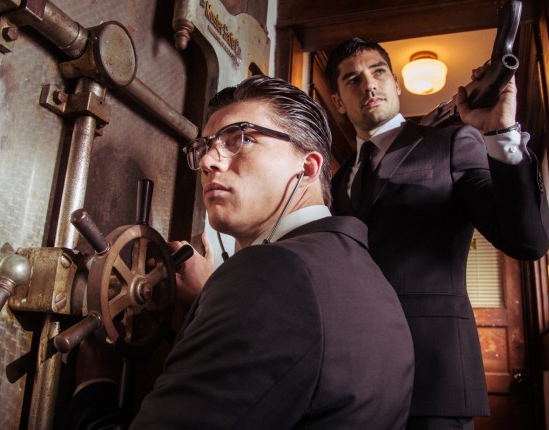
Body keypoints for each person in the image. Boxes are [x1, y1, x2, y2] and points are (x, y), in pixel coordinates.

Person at [67, 75, 414, 429]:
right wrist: (212, 298)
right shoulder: (371, 282)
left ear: (308, 166)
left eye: (242, 139)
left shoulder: (271, 274)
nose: (208, 161)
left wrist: (94, 388)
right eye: (205, 147)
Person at [324, 37, 549, 429]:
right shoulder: (335, 181)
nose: (369, 84)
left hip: (436, 379)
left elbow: (528, 240)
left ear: (396, 83)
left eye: (378, 72)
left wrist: (501, 134)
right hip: (354, 382)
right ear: (339, 101)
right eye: (353, 79)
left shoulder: (451, 142)